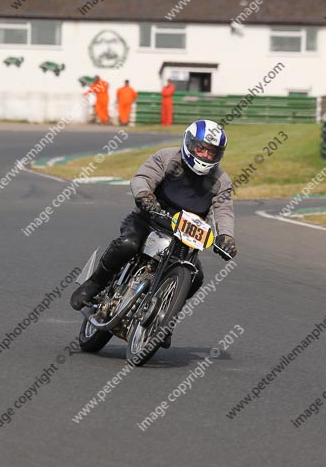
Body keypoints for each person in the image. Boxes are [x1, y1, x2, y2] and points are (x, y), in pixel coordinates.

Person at [71, 120, 237, 332]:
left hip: (184, 238)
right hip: (149, 220)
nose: (205, 155)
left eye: (211, 152)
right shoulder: (167, 157)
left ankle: (165, 321)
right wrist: (145, 196)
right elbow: (143, 177)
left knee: (196, 277)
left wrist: (226, 237)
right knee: (128, 244)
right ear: (189, 143)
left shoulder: (222, 181)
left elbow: (224, 210)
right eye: (200, 148)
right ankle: (94, 284)